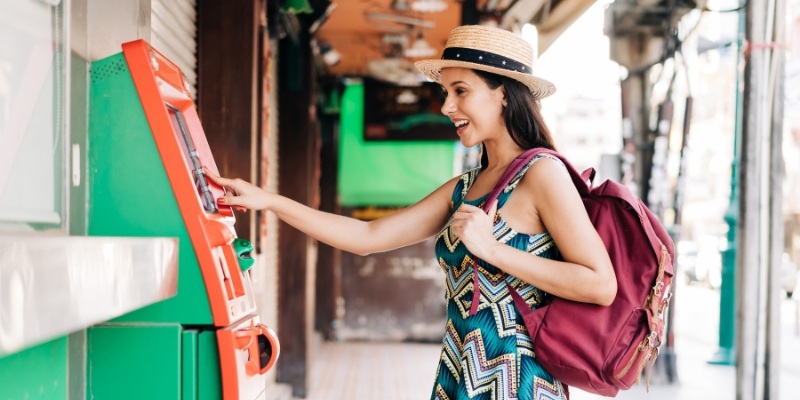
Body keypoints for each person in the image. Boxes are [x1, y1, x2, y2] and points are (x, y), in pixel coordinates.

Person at [206, 24, 615, 400]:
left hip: (517, 383)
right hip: (458, 375)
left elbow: (600, 284)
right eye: (445, 93)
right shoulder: (466, 188)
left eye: (460, 91)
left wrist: (494, 251)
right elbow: (367, 238)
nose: (445, 106)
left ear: (503, 92)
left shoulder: (543, 173)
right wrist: (271, 201)